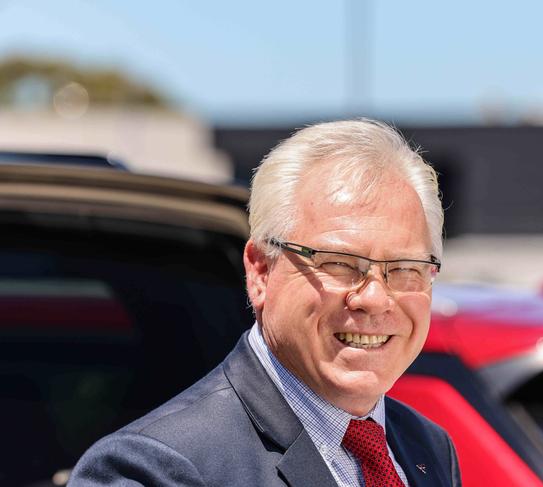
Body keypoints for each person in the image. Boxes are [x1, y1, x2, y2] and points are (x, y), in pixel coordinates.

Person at [69, 119, 461, 486]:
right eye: (339, 264)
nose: (374, 298)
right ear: (260, 272)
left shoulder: (426, 447)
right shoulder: (153, 470)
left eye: (405, 267)